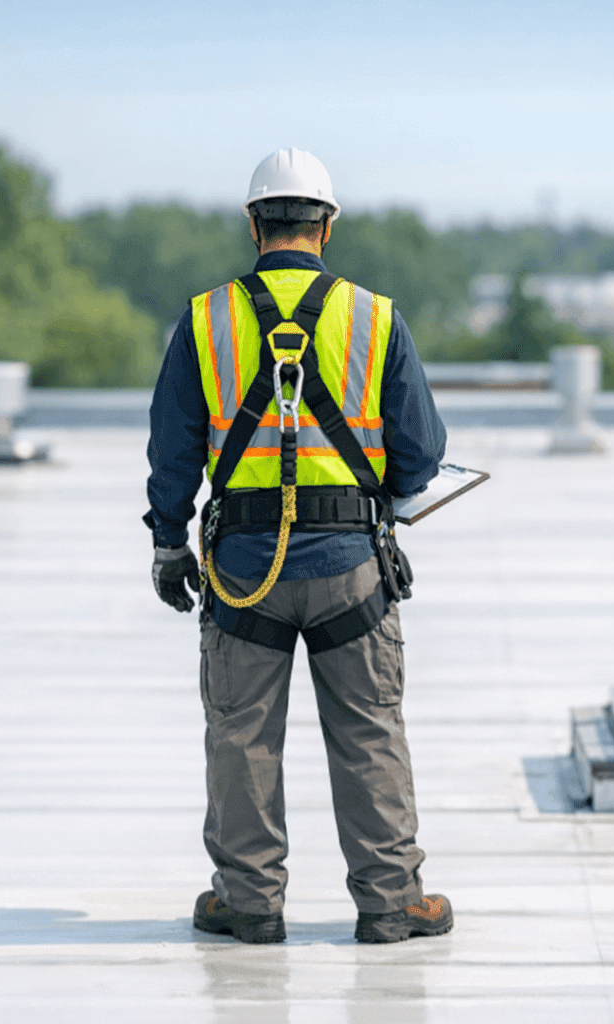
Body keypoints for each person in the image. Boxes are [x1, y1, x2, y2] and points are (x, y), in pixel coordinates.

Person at [144, 148, 452, 945]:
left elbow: (173, 451)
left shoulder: (206, 318)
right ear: (328, 226)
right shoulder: (375, 318)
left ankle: (249, 902)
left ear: (254, 225)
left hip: (244, 570)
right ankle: (390, 902)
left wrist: (169, 546)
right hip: (351, 566)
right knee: (368, 730)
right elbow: (419, 454)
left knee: (241, 734)